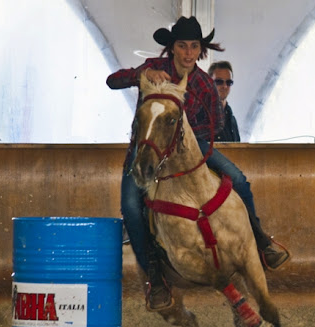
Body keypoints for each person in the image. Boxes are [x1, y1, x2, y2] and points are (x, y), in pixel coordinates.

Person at [106, 16, 289, 311]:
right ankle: (155, 277)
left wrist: (188, 144)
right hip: (147, 150)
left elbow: (214, 126)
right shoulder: (153, 70)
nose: (188, 53)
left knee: (239, 180)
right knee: (130, 207)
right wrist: (141, 74)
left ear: (200, 51)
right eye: (182, 46)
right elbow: (112, 80)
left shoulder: (204, 84)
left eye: (194, 47)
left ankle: (261, 241)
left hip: (192, 149)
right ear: (172, 48)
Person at [208, 61, 240, 142]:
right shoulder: (199, 117)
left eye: (229, 82)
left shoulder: (232, 119)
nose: (224, 86)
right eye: (219, 82)